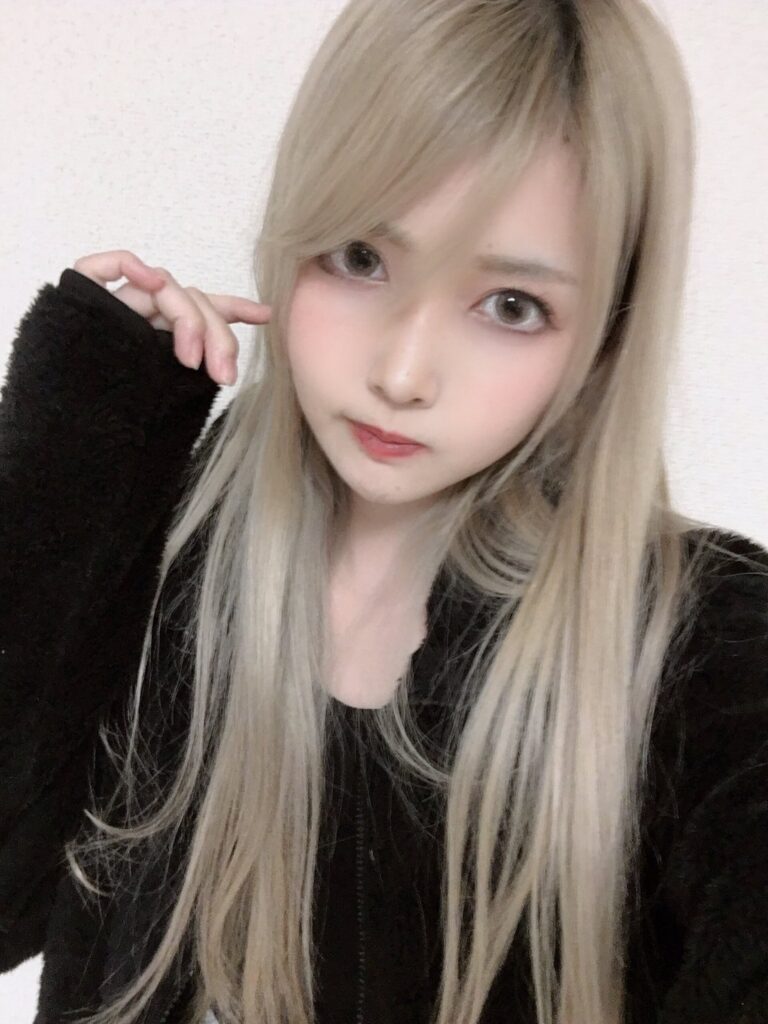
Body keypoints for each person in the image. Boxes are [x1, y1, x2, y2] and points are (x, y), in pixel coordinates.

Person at [2, 1, 767, 1023]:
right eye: (361, 257)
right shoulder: (173, 537)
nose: (402, 374)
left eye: (511, 306)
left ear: (604, 338)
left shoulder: (701, 642)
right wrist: (85, 424)